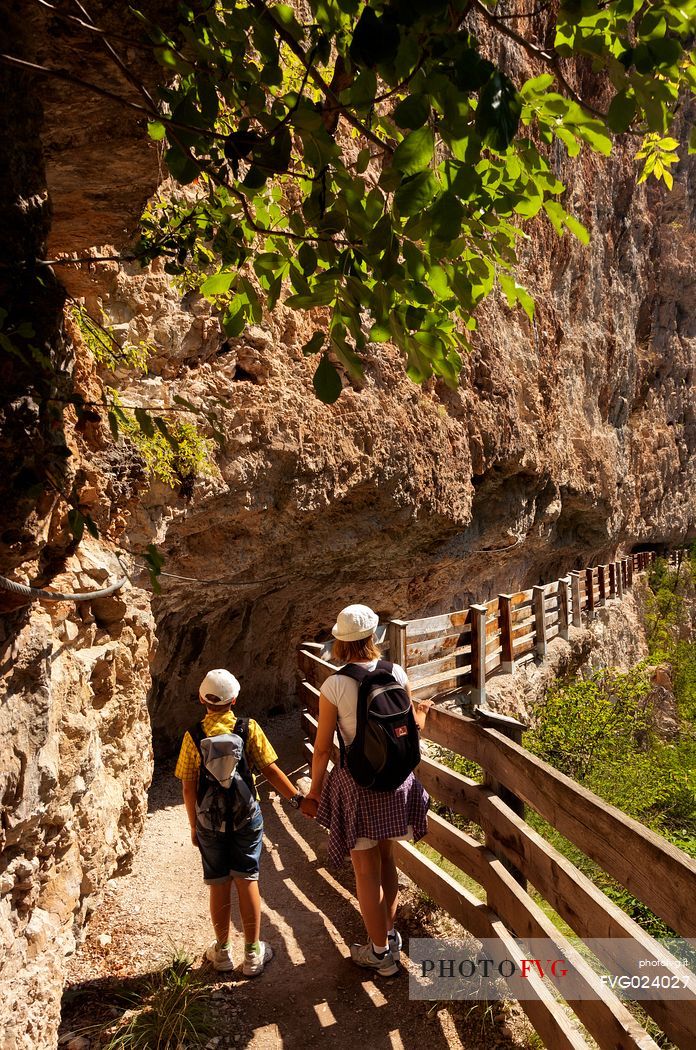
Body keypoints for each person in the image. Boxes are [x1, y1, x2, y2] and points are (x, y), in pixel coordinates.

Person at [303, 604, 432, 977]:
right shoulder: (396, 671)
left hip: (359, 787)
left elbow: (324, 746)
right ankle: (388, 936)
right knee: (387, 860)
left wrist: (314, 793)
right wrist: (421, 717)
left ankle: (380, 954)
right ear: (374, 637)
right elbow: (406, 726)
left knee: (365, 871)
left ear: (340, 644)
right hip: (395, 784)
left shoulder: (335, 685)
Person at [175, 668, 306, 975]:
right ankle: (252, 953)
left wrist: (195, 826)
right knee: (247, 878)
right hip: (246, 818)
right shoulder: (248, 728)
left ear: (201, 698)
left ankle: (221, 952)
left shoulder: (193, 735)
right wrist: (296, 799)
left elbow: (187, 785)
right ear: (234, 699)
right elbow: (271, 770)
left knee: (218, 883)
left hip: (210, 822)